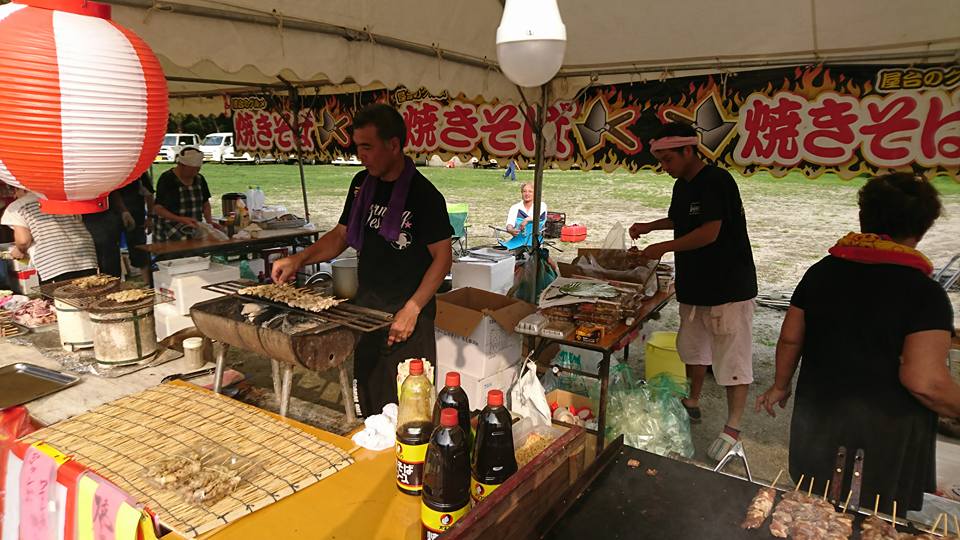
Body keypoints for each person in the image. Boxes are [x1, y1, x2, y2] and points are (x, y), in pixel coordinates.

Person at [756, 173, 958, 515]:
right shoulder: (925, 294)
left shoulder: (821, 272)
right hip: (882, 442)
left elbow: (791, 337)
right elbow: (926, 382)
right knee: (870, 523)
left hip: (818, 423)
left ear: (864, 217)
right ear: (922, 229)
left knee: (811, 514)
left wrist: (780, 385)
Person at [271, 103, 453, 417]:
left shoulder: (425, 196)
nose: (360, 155)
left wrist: (412, 309)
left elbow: (443, 258)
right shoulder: (361, 185)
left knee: (409, 410)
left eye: (367, 147)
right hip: (366, 311)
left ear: (393, 145)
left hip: (408, 318)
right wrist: (299, 259)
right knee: (369, 401)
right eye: (357, 147)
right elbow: (341, 235)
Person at [629, 122, 757, 461]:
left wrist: (662, 247)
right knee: (694, 349)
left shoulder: (717, 181)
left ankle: (733, 427)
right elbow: (680, 220)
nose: (664, 167)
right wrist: (649, 227)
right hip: (695, 284)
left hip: (728, 287)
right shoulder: (682, 185)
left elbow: (709, 232)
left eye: (668, 159)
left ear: (689, 151)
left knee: (732, 358)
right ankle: (692, 400)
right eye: (661, 161)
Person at [1, 188, 98, 284]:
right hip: (85, 254)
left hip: (54, 261)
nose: (14, 195)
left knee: (62, 293)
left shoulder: (17, 206)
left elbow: (23, 240)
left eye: (14, 191)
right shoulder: (62, 198)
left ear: (22, 189)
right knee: (88, 289)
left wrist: (19, 250)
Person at [152, 147, 217, 242]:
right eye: (191, 170)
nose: (194, 173)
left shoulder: (199, 179)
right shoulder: (167, 179)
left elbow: (205, 203)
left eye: (197, 170)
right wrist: (180, 219)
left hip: (193, 229)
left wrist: (209, 222)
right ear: (181, 165)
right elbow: (158, 208)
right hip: (168, 230)